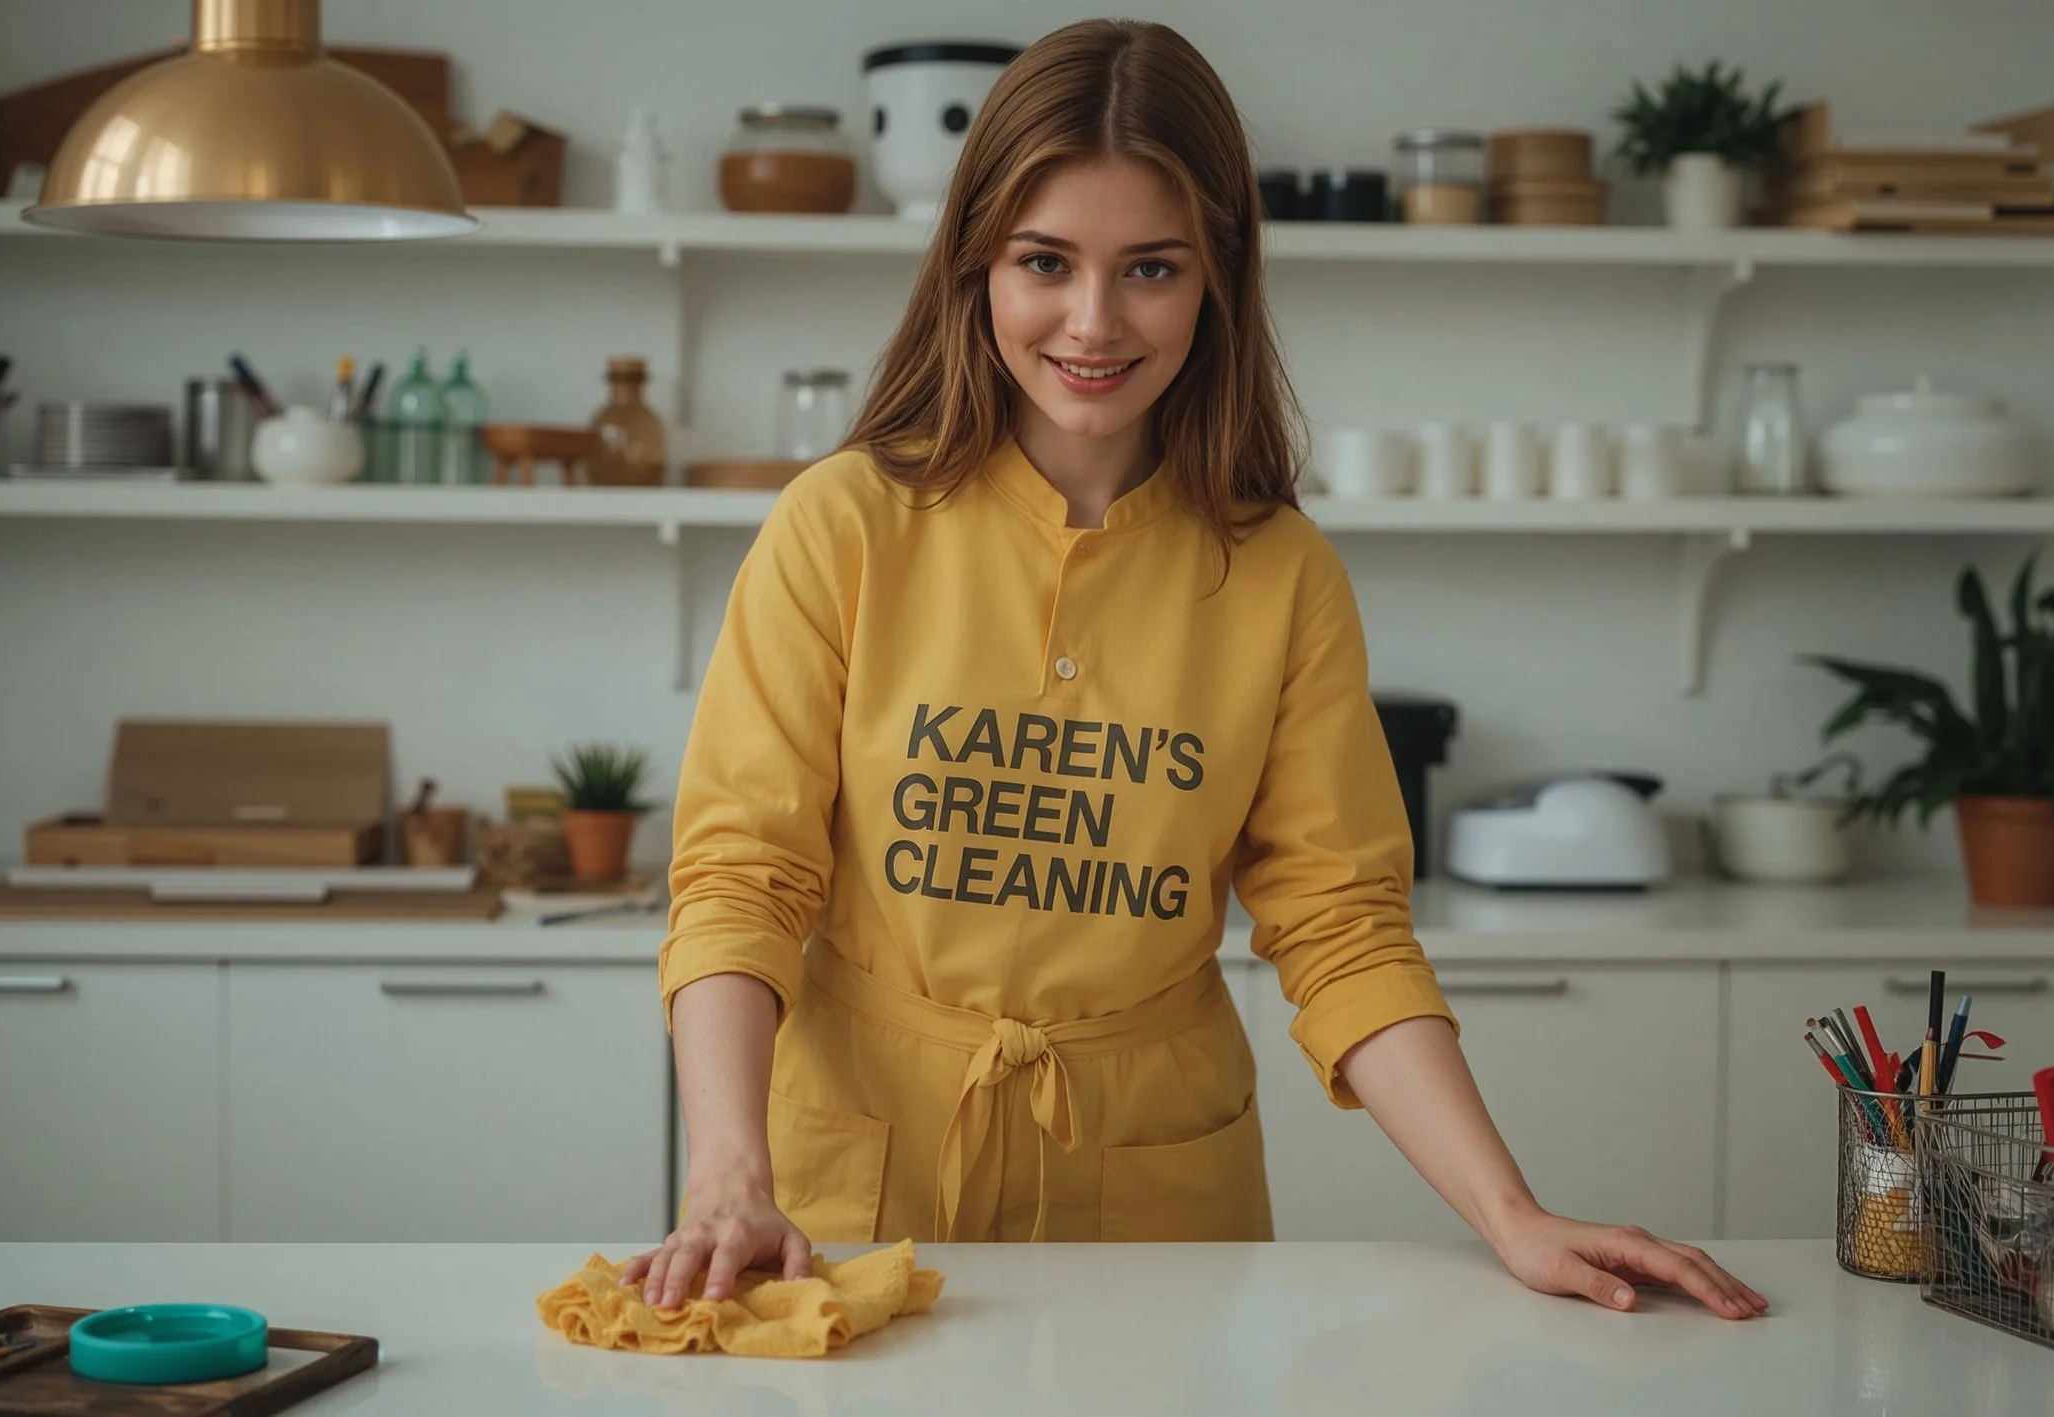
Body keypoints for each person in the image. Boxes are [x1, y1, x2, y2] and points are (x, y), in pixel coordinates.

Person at [625, 18, 1764, 1322]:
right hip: (837, 1189)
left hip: (1160, 1204)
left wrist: (1511, 1215)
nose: (1094, 323)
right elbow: (742, 877)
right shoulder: (843, 526)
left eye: (1150, 268)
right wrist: (725, 1172)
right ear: (975, 267)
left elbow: (1340, 927)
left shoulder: (1281, 575)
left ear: (1218, 274)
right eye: (1044, 262)